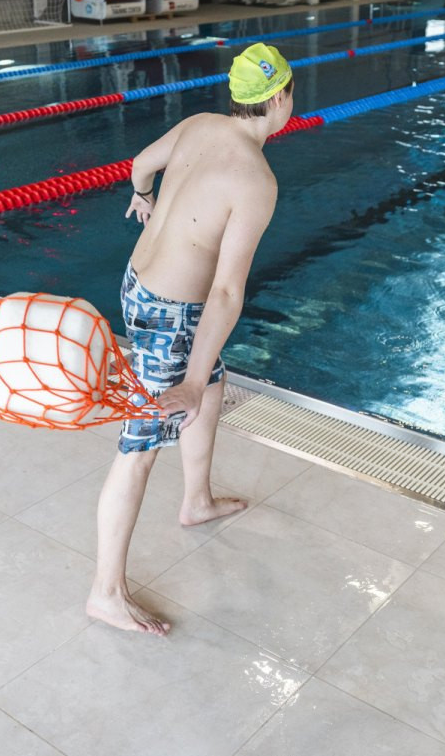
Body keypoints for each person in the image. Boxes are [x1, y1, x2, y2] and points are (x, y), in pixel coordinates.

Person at [86, 43, 293, 636]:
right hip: (172, 314)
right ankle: (105, 592)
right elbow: (227, 294)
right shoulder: (256, 179)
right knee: (139, 445)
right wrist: (192, 380)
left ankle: (196, 500)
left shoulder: (199, 124)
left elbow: (139, 166)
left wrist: (142, 197)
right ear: (278, 98)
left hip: (137, 285)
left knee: (215, 376)